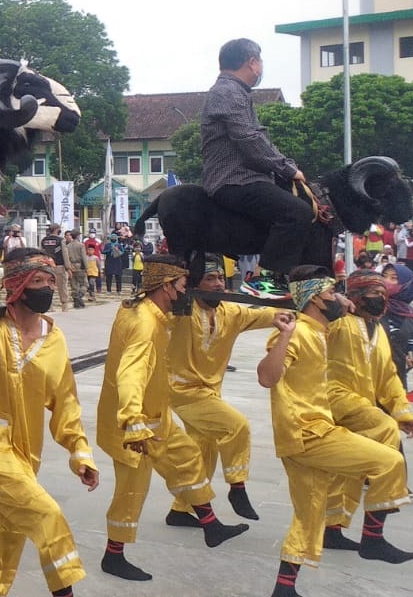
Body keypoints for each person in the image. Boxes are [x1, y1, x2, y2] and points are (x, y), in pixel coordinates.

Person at [0, 248, 98, 597]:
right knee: (46, 514)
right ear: (17, 285)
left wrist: (80, 453)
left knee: (2, 536)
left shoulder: (54, 340)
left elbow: (65, 403)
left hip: (25, 456)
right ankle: (64, 591)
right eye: (37, 281)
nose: (46, 288)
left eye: (49, 281)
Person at [258, 268, 413, 597]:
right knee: (389, 462)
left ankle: (283, 589)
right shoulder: (298, 332)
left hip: (307, 433)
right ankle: (373, 539)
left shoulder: (319, 329)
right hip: (309, 433)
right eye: (331, 293)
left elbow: (385, 372)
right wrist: (285, 334)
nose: (338, 298)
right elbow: (267, 377)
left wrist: (403, 408)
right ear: (316, 297)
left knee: (309, 515)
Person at [97, 253, 248, 581]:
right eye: (182, 286)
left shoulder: (147, 312)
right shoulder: (144, 323)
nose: (186, 293)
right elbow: (131, 371)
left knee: (188, 457)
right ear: (167, 287)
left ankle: (211, 525)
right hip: (133, 424)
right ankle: (114, 556)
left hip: (155, 415)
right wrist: (133, 421)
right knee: (131, 490)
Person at [164, 255, 281, 528]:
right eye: (210, 279)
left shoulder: (232, 312)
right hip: (180, 389)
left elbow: (268, 314)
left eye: (221, 278)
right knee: (236, 426)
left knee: (203, 451)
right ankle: (237, 488)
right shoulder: (180, 310)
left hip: (210, 391)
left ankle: (181, 509)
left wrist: (304, 308)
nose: (218, 284)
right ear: (194, 284)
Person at [321, 270, 413, 551]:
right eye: (373, 293)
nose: (380, 298)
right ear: (355, 295)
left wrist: (404, 413)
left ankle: (332, 530)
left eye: (382, 293)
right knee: (385, 428)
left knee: (347, 472)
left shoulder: (378, 330)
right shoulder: (339, 322)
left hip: (360, 404)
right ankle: (377, 525)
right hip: (334, 398)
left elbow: (388, 376)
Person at [201, 38, 311, 297]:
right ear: (252, 63)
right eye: (260, 61)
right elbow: (250, 139)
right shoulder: (228, 92)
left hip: (247, 177)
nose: (261, 67)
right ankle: (265, 282)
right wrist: (289, 170)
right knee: (297, 212)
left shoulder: (235, 92)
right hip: (235, 180)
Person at [379, 263, 413, 386]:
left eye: (394, 278)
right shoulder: (370, 307)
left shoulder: (410, 315)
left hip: (397, 376)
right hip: (368, 376)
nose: (386, 281)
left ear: (406, 284)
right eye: (384, 276)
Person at [40, 224, 74, 311]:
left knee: (49, 286)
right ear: (57, 230)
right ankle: (65, 304)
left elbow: (41, 253)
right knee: (62, 286)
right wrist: (68, 268)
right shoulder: (61, 240)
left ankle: (49, 306)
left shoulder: (44, 240)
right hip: (59, 266)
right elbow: (65, 255)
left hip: (47, 267)